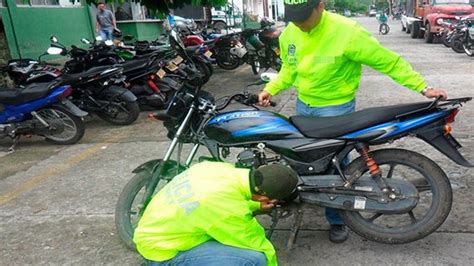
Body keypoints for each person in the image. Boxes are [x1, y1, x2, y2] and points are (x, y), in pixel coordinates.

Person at [258, 0, 448, 243]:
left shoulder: (347, 31)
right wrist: (271, 88)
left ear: (321, 6)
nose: (301, 23)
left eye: (305, 17)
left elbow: (388, 61)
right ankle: (311, 199)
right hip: (304, 106)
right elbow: (289, 69)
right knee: (307, 160)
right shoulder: (290, 33)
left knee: (337, 166)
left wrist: (424, 87)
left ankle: (338, 220)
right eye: (294, 18)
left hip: (336, 108)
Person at [133, 161, 299, 266]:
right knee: (255, 259)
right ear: (264, 197)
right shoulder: (226, 210)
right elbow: (258, 244)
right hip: (161, 253)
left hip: (154, 229)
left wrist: (255, 205)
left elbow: (223, 201)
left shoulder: (218, 169)